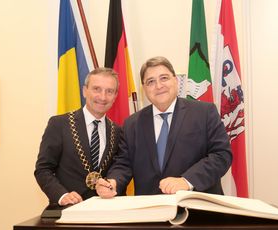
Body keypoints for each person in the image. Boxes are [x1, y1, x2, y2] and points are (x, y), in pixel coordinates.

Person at [97, 56, 232, 197]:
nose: (159, 86)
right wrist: (112, 182)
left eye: (164, 78)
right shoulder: (132, 124)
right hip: (151, 211)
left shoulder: (204, 112)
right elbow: (123, 164)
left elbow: (222, 155)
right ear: (144, 88)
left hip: (197, 208)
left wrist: (187, 181)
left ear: (175, 80)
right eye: (151, 82)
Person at [35, 67, 121, 206]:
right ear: (85, 91)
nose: (103, 96)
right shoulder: (59, 124)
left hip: (104, 210)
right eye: (96, 89)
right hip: (66, 210)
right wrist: (62, 195)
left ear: (115, 96)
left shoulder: (117, 131)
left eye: (109, 91)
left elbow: (118, 169)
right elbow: (43, 170)